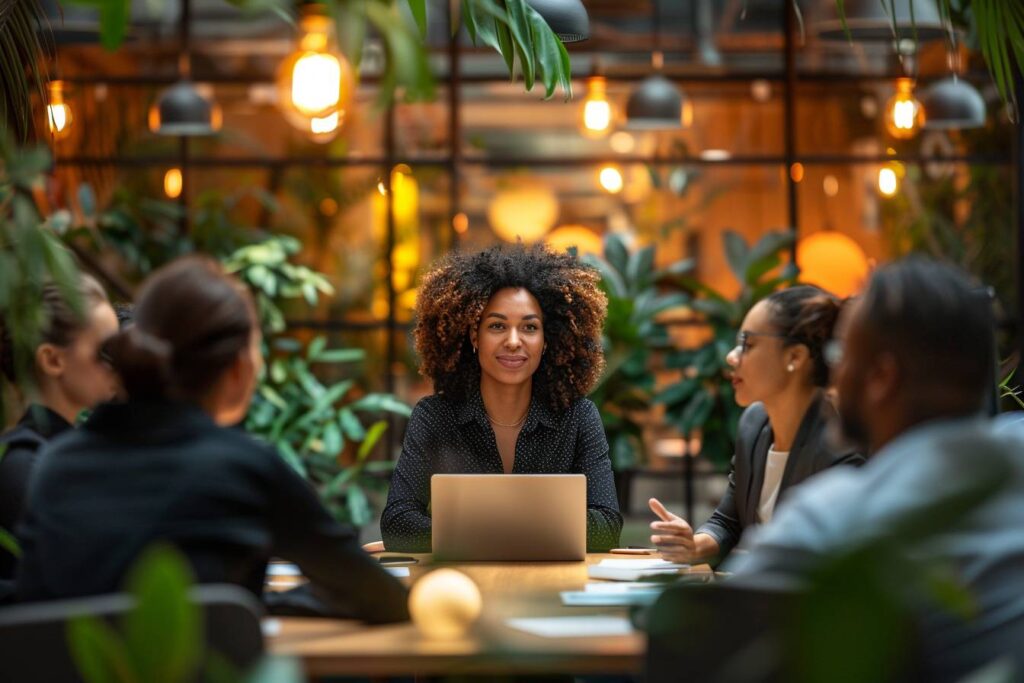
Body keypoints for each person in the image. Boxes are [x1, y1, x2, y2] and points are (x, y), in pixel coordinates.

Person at [15, 256, 408, 623]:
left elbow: (33, 619)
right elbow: (380, 597)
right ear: (239, 368)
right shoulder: (244, 467)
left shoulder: (57, 465)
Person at [728, 259, 1024, 680]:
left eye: (840, 354)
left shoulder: (830, 523)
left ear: (882, 377)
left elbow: (711, 648)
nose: (832, 375)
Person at [380, 243, 622, 552]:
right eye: (497, 326)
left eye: (529, 327)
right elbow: (398, 524)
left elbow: (607, 526)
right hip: (466, 588)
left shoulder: (577, 417)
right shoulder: (435, 416)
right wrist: (530, 528)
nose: (513, 341)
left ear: (547, 341)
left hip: (550, 588)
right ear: (473, 336)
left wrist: (478, 530)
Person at [648, 286, 864, 565]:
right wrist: (694, 545)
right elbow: (728, 522)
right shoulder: (755, 423)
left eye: (748, 345)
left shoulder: (840, 448)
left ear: (794, 357)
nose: (731, 357)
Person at [0, 274, 119, 582]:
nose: (118, 367)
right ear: (53, 360)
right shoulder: (25, 466)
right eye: (107, 352)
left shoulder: (72, 452)